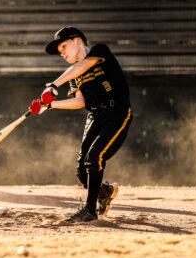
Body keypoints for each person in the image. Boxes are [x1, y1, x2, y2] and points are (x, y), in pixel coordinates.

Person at [29, 27, 132, 222]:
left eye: (64, 46)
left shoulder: (100, 52)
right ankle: (106, 191)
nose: (62, 52)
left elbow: (81, 67)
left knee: (94, 157)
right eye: (60, 51)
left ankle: (90, 210)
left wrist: (53, 85)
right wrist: (49, 105)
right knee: (82, 172)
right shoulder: (74, 75)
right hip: (94, 115)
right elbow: (80, 102)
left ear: (77, 41)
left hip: (117, 112)